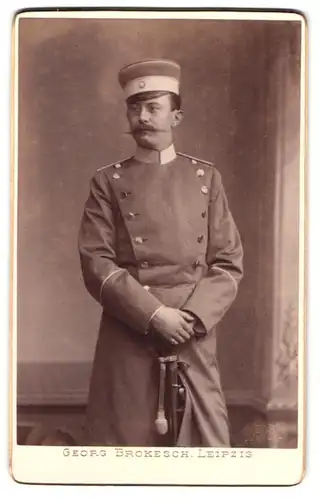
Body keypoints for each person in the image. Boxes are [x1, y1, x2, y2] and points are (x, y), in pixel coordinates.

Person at [78, 59, 243, 447]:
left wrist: (190, 318)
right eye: (135, 107)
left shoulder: (206, 178)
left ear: (176, 116)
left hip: (192, 333)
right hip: (130, 330)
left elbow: (228, 263)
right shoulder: (107, 181)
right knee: (125, 444)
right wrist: (154, 315)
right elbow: (96, 262)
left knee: (204, 449)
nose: (142, 116)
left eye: (153, 107)